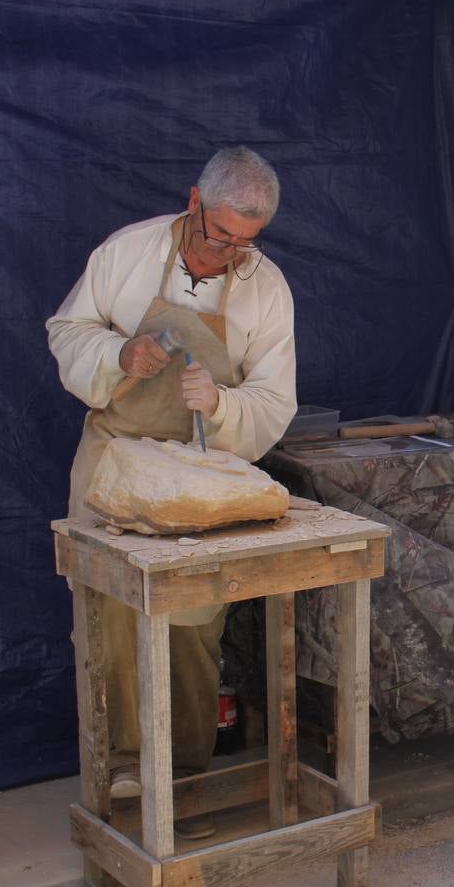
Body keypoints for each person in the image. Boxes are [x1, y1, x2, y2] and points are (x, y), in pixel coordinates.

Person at [47, 146, 297, 840]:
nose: (230, 255)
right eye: (220, 236)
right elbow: (67, 330)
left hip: (199, 473)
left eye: (247, 243)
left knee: (189, 627)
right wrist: (119, 356)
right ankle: (118, 775)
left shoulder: (266, 287)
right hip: (116, 461)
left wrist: (220, 404)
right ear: (193, 201)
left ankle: (183, 775)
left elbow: (275, 400)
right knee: (107, 619)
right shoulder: (126, 253)